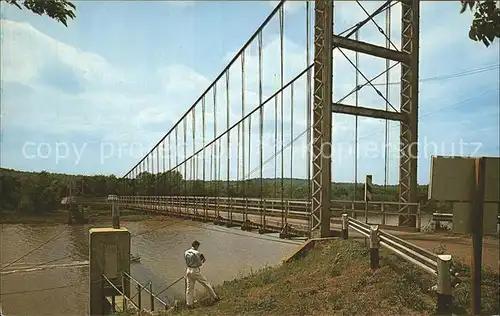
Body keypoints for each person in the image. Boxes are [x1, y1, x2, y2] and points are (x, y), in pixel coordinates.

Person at [184, 240, 220, 308]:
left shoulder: (186, 252)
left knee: (189, 288)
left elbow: (187, 261)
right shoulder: (197, 253)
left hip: (188, 270)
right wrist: (202, 260)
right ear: (196, 246)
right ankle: (215, 297)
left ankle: (189, 304)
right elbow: (199, 264)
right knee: (206, 283)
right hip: (195, 271)